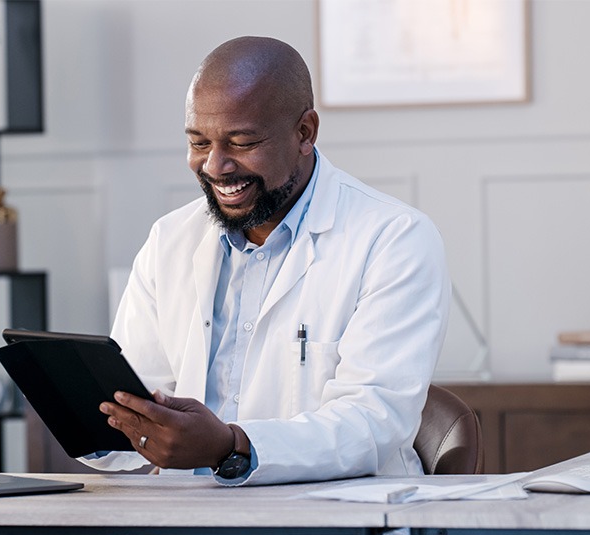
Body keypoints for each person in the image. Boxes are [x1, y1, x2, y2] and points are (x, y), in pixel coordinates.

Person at [84, 36, 450, 487]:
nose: (216, 167)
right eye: (199, 142)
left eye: (242, 143)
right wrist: (101, 416)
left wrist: (229, 446)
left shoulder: (394, 239)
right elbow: (130, 411)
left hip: (328, 524)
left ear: (305, 132)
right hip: (184, 519)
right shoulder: (169, 240)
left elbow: (373, 425)